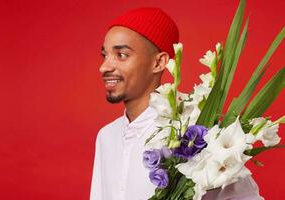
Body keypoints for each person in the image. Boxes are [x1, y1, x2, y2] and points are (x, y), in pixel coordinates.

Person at [90, 7, 263, 200]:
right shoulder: (106, 137)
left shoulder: (195, 133)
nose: (104, 66)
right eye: (104, 55)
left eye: (121, 55)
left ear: (159, 63)